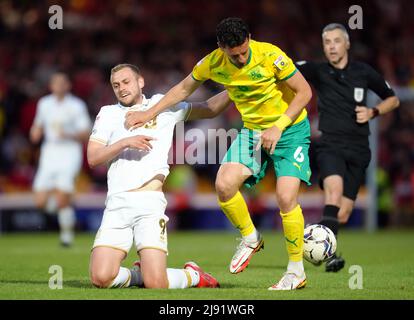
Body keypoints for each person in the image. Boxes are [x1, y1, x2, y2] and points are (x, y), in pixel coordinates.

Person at [124, 17, 313, 290]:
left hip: (290, 128)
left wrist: (278, 126)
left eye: (243, 52)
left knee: (285, 196)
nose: (239, 58)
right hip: (253, 131)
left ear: (249, 39)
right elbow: (183, 88)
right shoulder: (212, 62)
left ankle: (296, 271)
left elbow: (304, 92)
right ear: (220, 47)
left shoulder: (271, 55)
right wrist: (149, 112)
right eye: (233, 54)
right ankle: (251, 238)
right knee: (224, 185)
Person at [88, 63, 230, 289]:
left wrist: (235, 88)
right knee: (101, 278)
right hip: (117, 203)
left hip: (149, 203)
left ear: (140, 81)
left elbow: (210, 108)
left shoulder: (161, 106)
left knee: (157, 284)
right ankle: (139, 274)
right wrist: (125, 142)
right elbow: (93, 157)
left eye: (126, 82)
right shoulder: (108, 114)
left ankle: (193, 275)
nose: (121, 88)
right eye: (116, 85)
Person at [296, 23, 400, 272]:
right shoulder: (318, 71)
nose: (331, 47)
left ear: (347, 44)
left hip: (358, 149)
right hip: (330, 144)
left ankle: (314, 236)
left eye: (336, 41)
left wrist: (373, 111)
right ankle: (328, 256)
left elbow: (393, 99)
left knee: (342, 214)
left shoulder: (363, 72)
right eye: (327, 42)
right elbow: (286, 68)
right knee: (333, 192)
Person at [30, 72, 91, 247]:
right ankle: (65, 209)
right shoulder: (44, 104)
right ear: (51, 86)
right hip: (49, 151)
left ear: (68, 85)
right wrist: (35, 132)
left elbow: (85, 133)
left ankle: (66, 236)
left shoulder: (76, 105)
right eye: (55, 83)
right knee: (40, 201)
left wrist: (68, 134)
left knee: (62, 196)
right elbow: (38, 124)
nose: (59, 86)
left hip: (69, 152)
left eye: (62, 83)